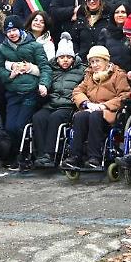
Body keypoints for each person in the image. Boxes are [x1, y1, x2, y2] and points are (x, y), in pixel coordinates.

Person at [0, 14, 53, 163]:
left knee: (21, 125)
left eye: (14, 29)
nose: (12, 34)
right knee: (10, 126)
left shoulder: (35, 46)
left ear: (21, 30)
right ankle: (14, 156)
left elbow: (45, 67)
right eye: (8, 31)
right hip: (13, 92)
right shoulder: (3, 47)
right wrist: (10, 74)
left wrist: (44, 84)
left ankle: (27, 156)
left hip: (30, 92)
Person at [65, 45, 131, 170]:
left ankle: (94, 157)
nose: (94, 65)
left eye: (98, 61)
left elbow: (124, 96)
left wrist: (103, 106)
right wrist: (86, 104)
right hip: (91, 109)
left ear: (106, 61)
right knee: (80, 116)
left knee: (95, 116)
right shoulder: (89, 75)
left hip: (109, 113)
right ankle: (75, 156)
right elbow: (77, 92)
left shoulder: (118, 75)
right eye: (92, 62)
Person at [31, 33, 86, 167]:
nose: (65, 60)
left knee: (55, 118)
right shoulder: (52, 70)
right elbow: (46, 85)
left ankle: (49, 155)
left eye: (68, 57)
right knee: (38, 117)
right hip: (51, 103)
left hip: (68, 106)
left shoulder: (82, 70)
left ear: (73, 58)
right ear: (57, 58)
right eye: (62, 57)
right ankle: (39, 154)